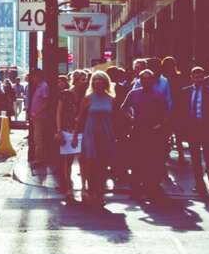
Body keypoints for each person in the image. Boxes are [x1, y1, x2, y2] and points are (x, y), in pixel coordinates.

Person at [121, 70, 171, 201]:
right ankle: (136, 188)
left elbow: (166, 114)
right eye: (143, 78)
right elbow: (123, 108)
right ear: (140, 80)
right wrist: (130, 118)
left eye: (149, 79)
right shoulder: (134, 93)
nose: (146, 81)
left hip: (153, 131)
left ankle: (151, 188)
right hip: (137, 129)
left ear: (153, 81)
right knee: (136, 160)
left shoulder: (158, 95)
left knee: (152, 160)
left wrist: (159, 126)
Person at [76, 71, 117, 207]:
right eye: (96, 80)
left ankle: (100, 193)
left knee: (103, 165)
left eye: (101, 80)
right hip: (90, 134)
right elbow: (80, 118)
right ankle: (91, 190)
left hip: (107, 134)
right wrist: (75, 135)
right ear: (92, 82)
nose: (98, 82)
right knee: (90, 163)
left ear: (106, 82)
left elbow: (116, 118)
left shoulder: (111, 99)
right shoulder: (88, 98)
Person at [182, 66, 209, 198]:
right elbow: (182, 112)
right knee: (195, 158)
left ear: (204, 77)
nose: (198, 78)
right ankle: (199, 184)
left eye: (200, 76)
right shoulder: (185, 92)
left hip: (207, 128)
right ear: (191, 77)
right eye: (195, 76)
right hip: (193, 128)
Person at [55, 74, 78, 200]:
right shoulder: (64, 94)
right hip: (66, 129)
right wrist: (59, 130)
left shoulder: (81, 94)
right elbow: (58, 112)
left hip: (76, 129)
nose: (59, 84)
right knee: (66, 159)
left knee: (77, 159)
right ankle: (67, 185)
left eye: (61, 81)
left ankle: (72, 185)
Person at [27, 70, 54, 172]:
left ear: (38, 77)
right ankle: (39, 158)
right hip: (36, 117)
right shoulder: (39, 86)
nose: (33, 79)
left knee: (39, 138)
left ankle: (40, 159)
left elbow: (46, 103)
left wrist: (36, 113)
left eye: (34, 77)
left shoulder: (44, 86)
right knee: (37, 137)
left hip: (40, 117)